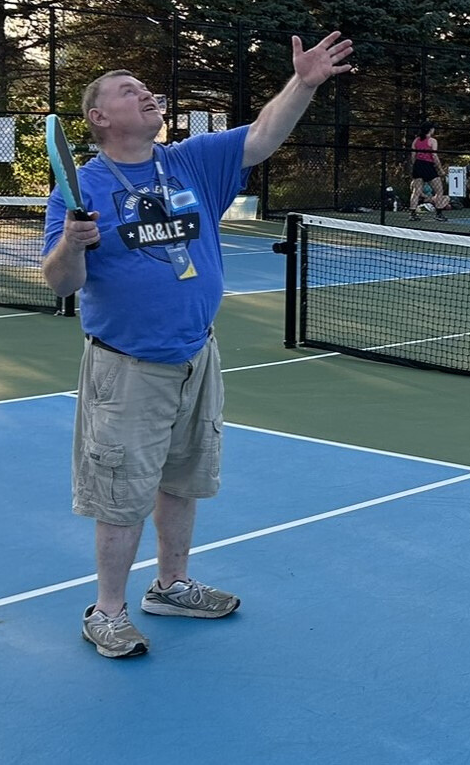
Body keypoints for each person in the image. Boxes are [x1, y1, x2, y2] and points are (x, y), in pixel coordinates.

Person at [41, 32, 355, 659]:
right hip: (127, 368)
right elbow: (61, 283)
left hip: (197, 355)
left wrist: (304, 82)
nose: (146, 93)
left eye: (145, 86)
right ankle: (106, 611)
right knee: (121, 491)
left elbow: (264, 133)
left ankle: (172, 584)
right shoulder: (85, 189)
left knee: (182, 479)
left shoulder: (188, 161)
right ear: (100, 117)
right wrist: (72, 244)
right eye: (129, 90)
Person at [408, 123, 443, 219]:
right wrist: (440, 169)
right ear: (430, 130)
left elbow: (413, 155)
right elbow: (434, 156)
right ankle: (439, 214)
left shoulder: (416, 140)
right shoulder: (432, 141)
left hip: (418, 165)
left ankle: (412, 213)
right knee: (439, 190)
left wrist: (415, 165)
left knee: (416, 191)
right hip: (428, 166)